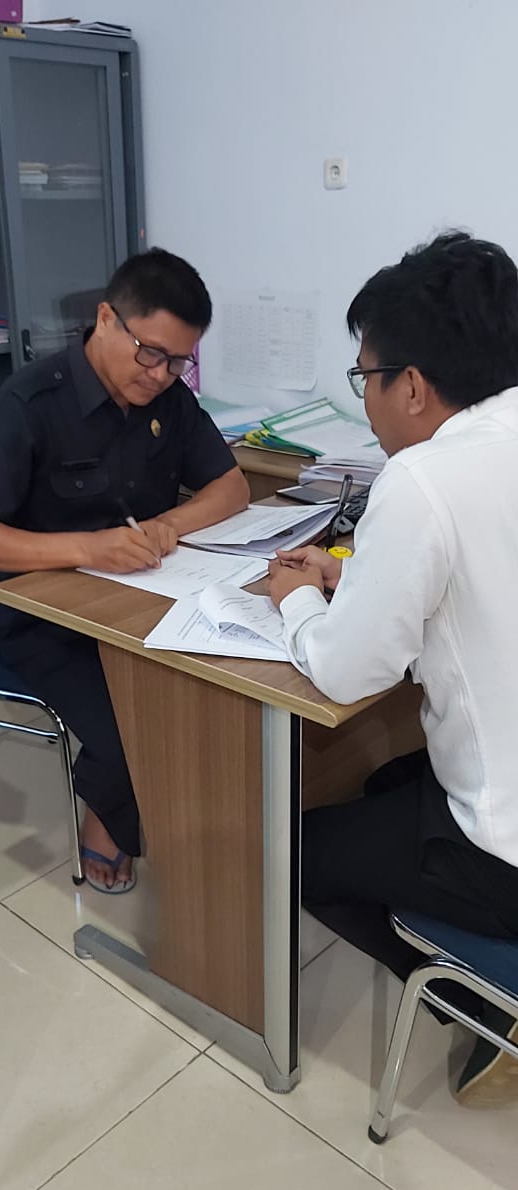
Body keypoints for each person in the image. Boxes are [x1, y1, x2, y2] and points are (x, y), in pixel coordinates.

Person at [269, 232, 518, 1107]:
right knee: (382, 784)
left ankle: (487, 1009)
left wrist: (296, 599)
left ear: (410, 385)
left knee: (290, 852)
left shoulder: (423, 479)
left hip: (505, 853)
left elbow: (344, 673)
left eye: (365, 377)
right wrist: (359, 578)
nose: (368, 401)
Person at [0, 247, 249, 894]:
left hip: (139, 600)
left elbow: (232, 487)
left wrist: (170, 525)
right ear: (107, 318)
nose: (162, 374)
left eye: (179, 361)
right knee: (131, 730)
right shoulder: (29, 402)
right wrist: (89, 549)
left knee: (219, 693)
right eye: (150, 353)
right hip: (42, 622)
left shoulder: (167, 399)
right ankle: (107, 817)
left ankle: (204, 828)